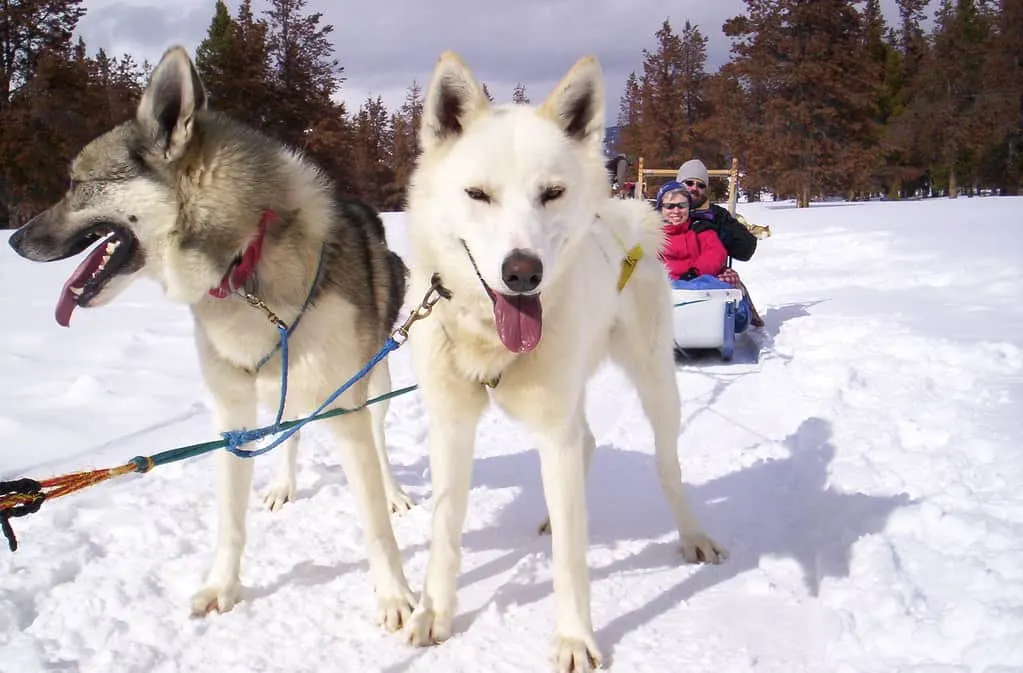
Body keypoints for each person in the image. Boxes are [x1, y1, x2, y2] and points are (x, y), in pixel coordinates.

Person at [676, 158, 765, 327]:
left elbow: (745, 250)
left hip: (710, 276)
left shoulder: (717, 215)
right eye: (689, 183)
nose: (695, 188)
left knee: (731, 280)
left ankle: (737, 316)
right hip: (671, 272)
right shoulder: (664, 210)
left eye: (700, 185)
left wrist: (724, 234)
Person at [655, 181, 727, 281]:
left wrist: (695, 273)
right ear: (661, 208)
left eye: (682, 205)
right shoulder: (652, 233)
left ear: (689, 207)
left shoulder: (700, 229)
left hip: (695, 286)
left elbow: (715, 253)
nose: (676, 211)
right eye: (669, 206)